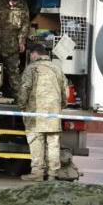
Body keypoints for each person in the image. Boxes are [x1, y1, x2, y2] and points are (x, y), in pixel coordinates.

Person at [17, 43, 68, 181]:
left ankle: (37, 173)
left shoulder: (31, 68)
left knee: (36, 141)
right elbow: (65, 91)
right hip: (53, 113)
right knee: (53, 143)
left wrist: (21, 106)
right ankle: (52, 174)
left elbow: (25, 88)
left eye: (31, 55)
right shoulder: (57, 69)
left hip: (35, 114)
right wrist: (60, 106)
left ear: (34, 54)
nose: (31, 58)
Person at [0, 0, 30, 95]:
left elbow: (25, 25)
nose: (14, 3)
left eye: (17, 1)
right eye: (12, 0)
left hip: (11, 44)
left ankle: (19, 98)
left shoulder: (22, 5)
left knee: (13, 72)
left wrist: (22, 41)